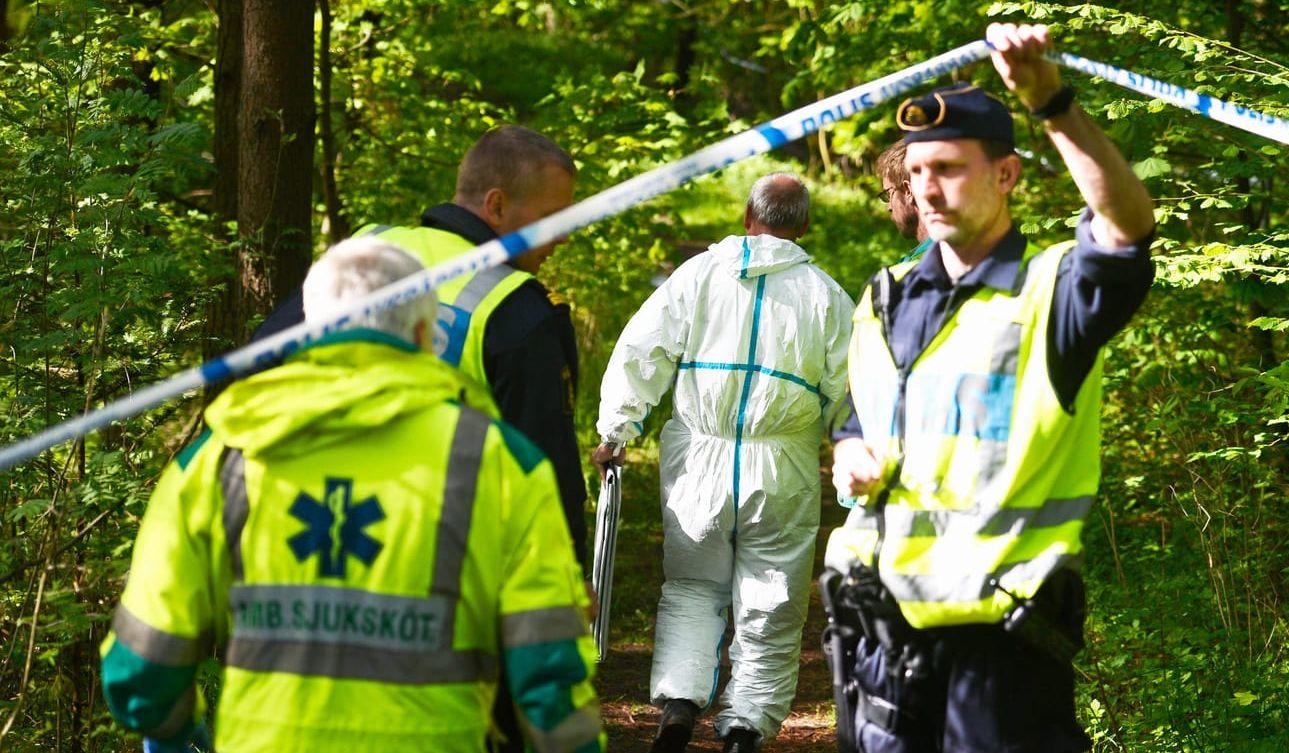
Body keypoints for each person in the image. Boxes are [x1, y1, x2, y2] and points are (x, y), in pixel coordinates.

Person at [101, 238, 602, 753]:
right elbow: (549, 673)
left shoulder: (218, 458)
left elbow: (140, 669)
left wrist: (179, 732)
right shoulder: (500, 461)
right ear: (426, 334)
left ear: (309, 328)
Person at [823, 22, 1156, 753]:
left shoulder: (1053, 289)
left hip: (1001, 640)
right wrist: (849, 447)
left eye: (949, 167)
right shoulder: (885, 295)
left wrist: (1053, 103)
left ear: (1004, 174)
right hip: (880, 631)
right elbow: (859, 413)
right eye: (916, 172)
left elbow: (1127, 227)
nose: (928, 189)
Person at [593, 173, 855, 753]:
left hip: (697, 461)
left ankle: (679, 708)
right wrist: (853, 466)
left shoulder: (697, 276)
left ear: (746, 215)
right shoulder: (827, 296)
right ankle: (744, 727)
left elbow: (643, 349)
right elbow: (848, 393)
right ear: (804, 226)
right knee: (773, 595)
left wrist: (618, 429)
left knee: (690, 586)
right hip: (781, 466)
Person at [253, 125, 591, 573]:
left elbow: (261, 363)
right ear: (496, 206)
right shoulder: (518, 310)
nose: (562, 237)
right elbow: (545, 470)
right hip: (437, 564)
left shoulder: (367, 252)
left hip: (312, 532)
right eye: (553, 219)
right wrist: (566, 574)